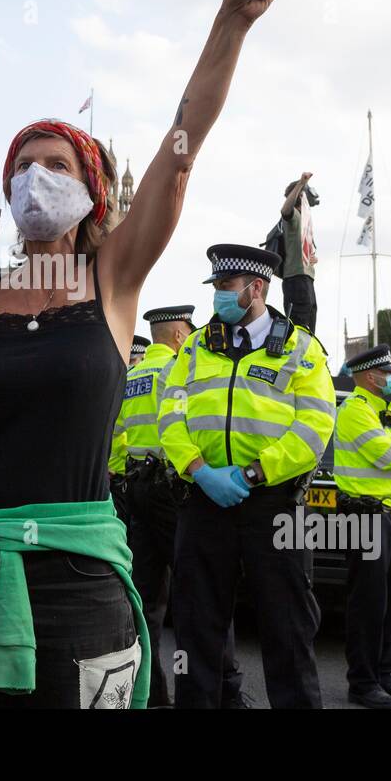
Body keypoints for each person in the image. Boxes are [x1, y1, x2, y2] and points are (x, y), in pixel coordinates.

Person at [0, 0, 305, 709]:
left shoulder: (113, 282)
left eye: (54, 165)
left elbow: (184, 141)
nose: (34, 179)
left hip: (76, 590)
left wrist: (230, 22)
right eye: (20, 167)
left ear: (92, 191)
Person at [159, 243, 335, 708]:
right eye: (215, 285)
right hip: (203, 502)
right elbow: (170, 413)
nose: (217, 295)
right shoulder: (196, 346)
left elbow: (314, 427)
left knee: (288, 629)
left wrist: (255, 474)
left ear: (255, 289)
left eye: (225, 286)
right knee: (197, 631)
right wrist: (200, 471)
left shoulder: (300, 347)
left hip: (273, 505)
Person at [119, 305, 245, 708]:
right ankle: (224, 690)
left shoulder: (132, 376)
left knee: (146, 599)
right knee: (202, 591)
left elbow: (115, 436)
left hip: (134, 487)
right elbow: (190, 427)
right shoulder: (176, 370)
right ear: (178, 335)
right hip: (172, 490)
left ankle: (152, 694)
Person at [333, 345, 391, 708]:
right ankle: (362, 683)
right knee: (368, 603)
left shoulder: (382, 414)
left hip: (386, 515)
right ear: (372, 376)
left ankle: (383, 676)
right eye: (388, 374)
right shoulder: (355, 411)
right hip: (363, 516)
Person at [108, 335, 151, 526]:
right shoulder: (117, 384)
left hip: (124, 473)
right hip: (121, 475)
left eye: (133, 361)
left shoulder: (114, 384)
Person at [278, 172, 318, 331]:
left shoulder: (305, 221)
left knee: (309, 327)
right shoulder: (294, 216)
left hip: (306, 279)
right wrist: (301, 184)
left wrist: (312, 258)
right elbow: (285, 210)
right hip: (296, 279)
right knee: (300, 327)